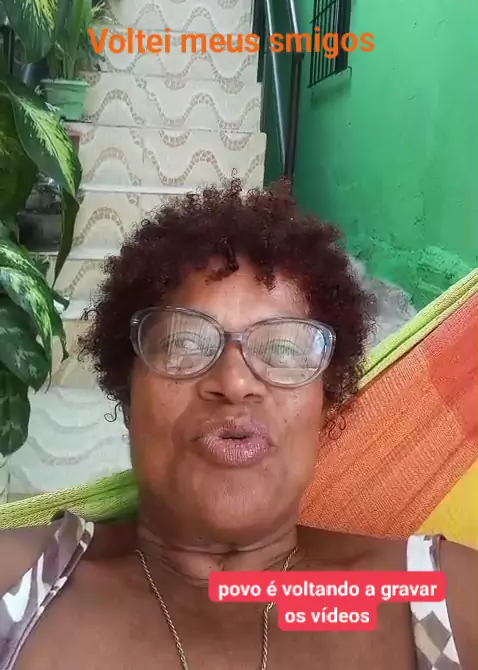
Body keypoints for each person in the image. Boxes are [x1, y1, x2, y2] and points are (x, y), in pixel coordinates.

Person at [0, 180, 476, 670]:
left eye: (283, 349)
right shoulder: (17, 590)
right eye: (184, 344)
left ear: (326, 401)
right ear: (128, 391)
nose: (234, 382)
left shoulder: (442, 600)